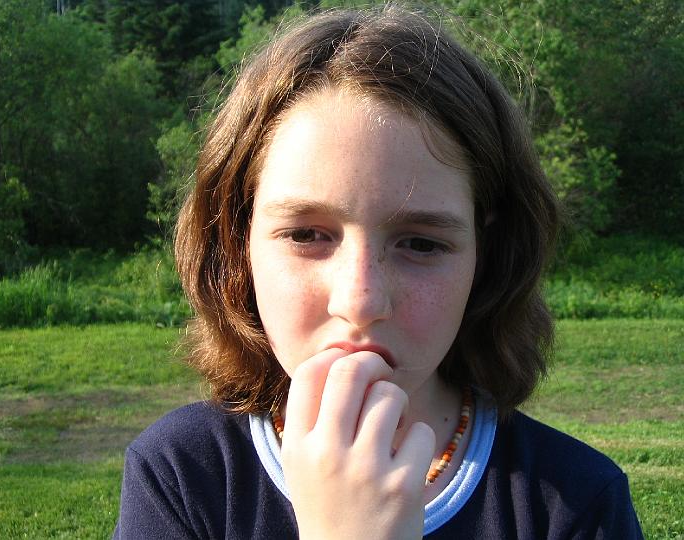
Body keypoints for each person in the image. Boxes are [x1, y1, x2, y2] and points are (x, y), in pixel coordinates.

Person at [113, 5, 643, 539]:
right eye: (306, 235)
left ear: (485, 255)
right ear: (238, 244)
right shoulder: (181, 476)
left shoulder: (576, 502)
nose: (360, 301)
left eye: (421, 243)